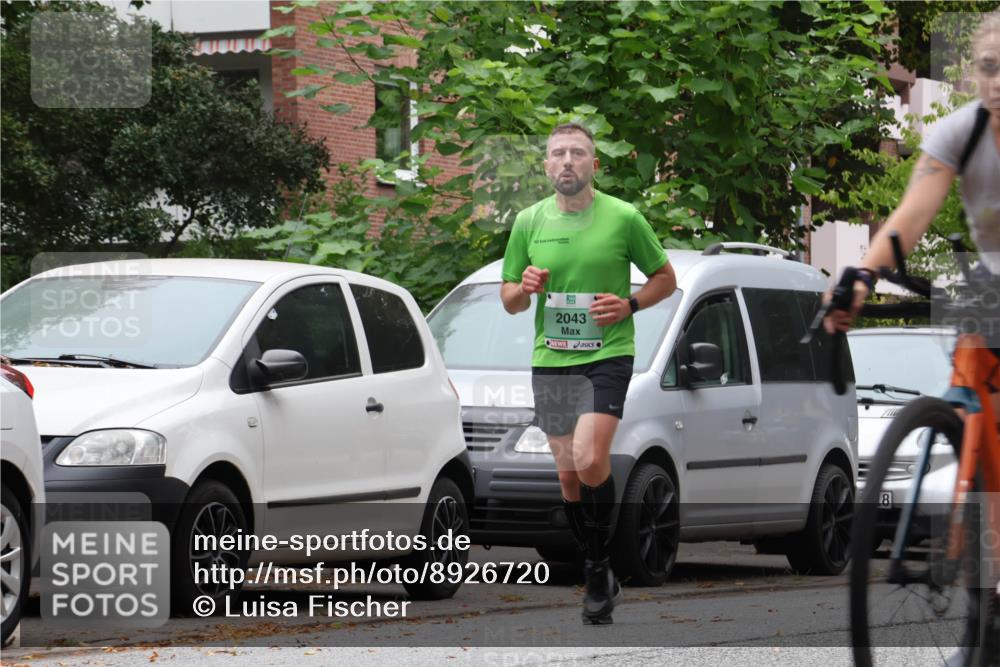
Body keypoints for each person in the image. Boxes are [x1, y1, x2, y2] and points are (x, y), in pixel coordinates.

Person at [824, 13, 999, 667]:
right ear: (973, 74)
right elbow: (911, 215)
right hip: (990, 288)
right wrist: (863, 275)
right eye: (988, 67)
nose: (998, 81)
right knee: (979, 423)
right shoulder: (962, 131)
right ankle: (990, 610)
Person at [499, 122, 677, 625]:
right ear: (546, 166)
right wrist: (524, 287)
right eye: (558, 153)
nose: (567, 161)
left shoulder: (624, 217)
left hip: (607, 354)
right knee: (568, 474)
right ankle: (598, 565)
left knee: (590, 456)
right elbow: (509, 300)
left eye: (577, 153)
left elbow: (666, 278)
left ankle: (597, 568)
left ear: (594, 165)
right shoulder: (529, 222)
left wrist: (629, 305)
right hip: (552, 359)